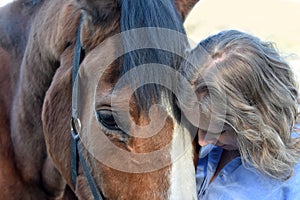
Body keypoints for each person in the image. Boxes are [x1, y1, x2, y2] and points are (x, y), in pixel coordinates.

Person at [180, 30, 300, 199]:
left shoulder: (292, 184)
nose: (202, 141)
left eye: (220, 130)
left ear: (258, 115)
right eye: (196, 124)